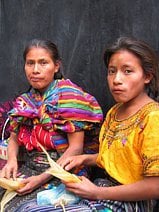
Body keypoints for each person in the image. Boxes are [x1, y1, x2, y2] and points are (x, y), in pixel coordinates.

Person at [16, 36, 159, 212]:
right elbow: (116, 160)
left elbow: (155, 186)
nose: (116, 80)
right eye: (112, 71)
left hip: (132, 202)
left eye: (127, 71)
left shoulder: (153, 117)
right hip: (104, 188)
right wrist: (85, 158)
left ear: (147, 76)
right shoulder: (115, 112)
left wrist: (97, 193)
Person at [0, 39, 103, 211]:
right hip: (31, 166)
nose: (35, 70)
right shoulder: (25, 101)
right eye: (30, 63)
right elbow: (14, 138)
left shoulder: (70, 96)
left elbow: (75, 149)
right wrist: (11, 161)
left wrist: (40, 179)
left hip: (63, 171)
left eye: (43, 63)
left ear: (56, 66)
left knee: (24, 207)